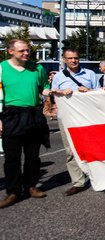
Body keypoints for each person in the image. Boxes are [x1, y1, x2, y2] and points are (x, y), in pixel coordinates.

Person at [0, 39, 51, 208]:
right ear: (11, 52)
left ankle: (31, 186)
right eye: (22, 51)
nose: (26, 53)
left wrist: (48, 91)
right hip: (11, 115)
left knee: (32, 156)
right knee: (12, 158)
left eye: (28, 50)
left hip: (32, 115)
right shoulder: (2, 68)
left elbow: (43, 85)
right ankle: (13, 192)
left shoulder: (37, 68)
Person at [51, 47, 101, 197]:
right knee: (70, 151)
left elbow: (99, 94)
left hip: (87, 118)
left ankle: (97, 177)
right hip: (66, 118)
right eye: (70, 58)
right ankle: (78, 182)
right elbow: (53, 94)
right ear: (64, 60)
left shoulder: (90, 74)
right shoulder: (59, 77)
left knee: (92, 149)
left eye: (76, 58)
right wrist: (60, 91)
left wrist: (89, 91)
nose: (73, 61)